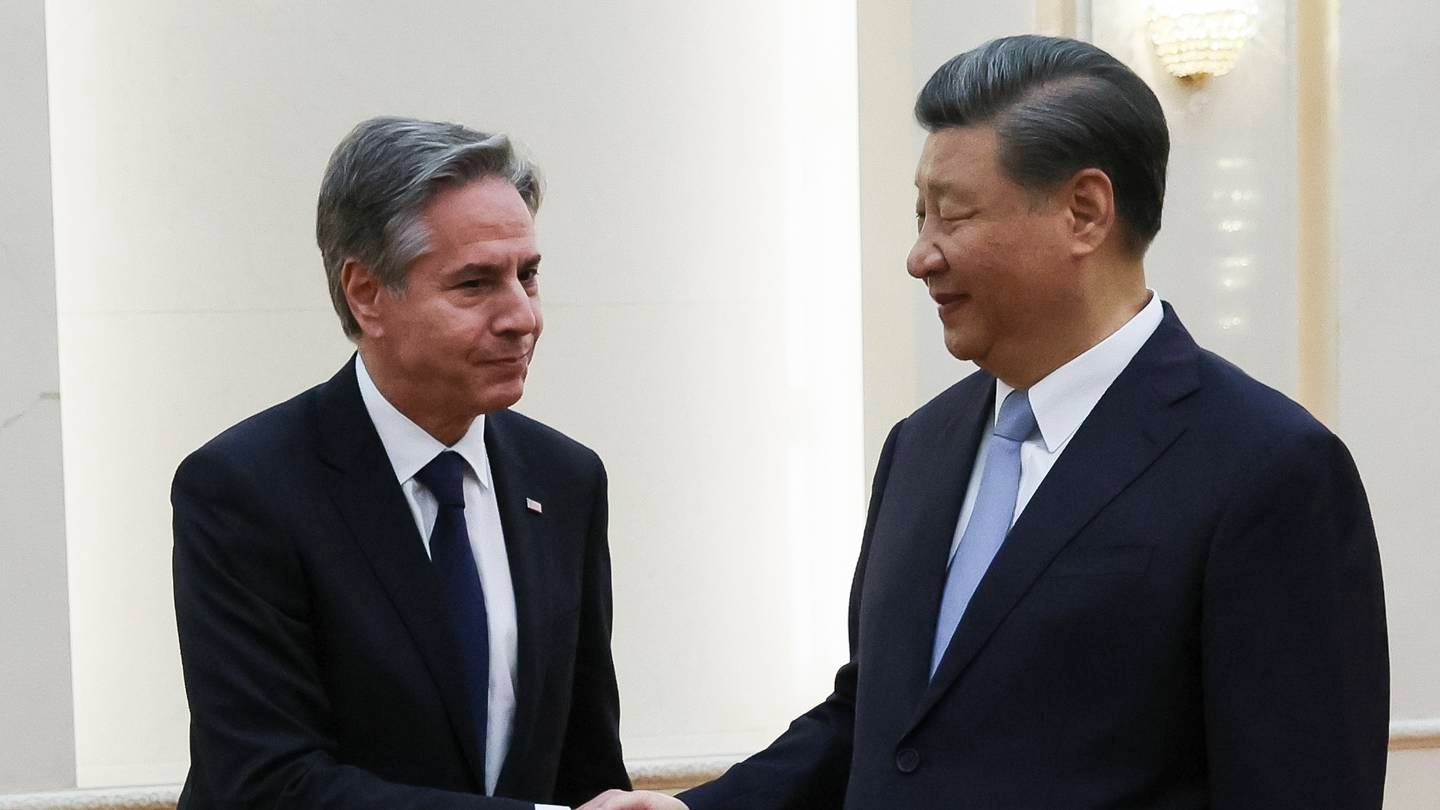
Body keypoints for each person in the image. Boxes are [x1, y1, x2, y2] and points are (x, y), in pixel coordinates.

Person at [582, 35, 1388, 810]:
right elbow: (882, 722)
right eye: (919, 215)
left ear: (1084, 211)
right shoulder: (922, 446)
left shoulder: (1268, 469)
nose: (920, 254)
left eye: (952, 216)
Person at [172, 116, 630, 809]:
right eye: (475, 284)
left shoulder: (564, 479)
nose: (521, 317)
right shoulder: (246, 491)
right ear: (365, 293)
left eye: (527, 276)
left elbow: (585, 764)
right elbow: (268, 783)